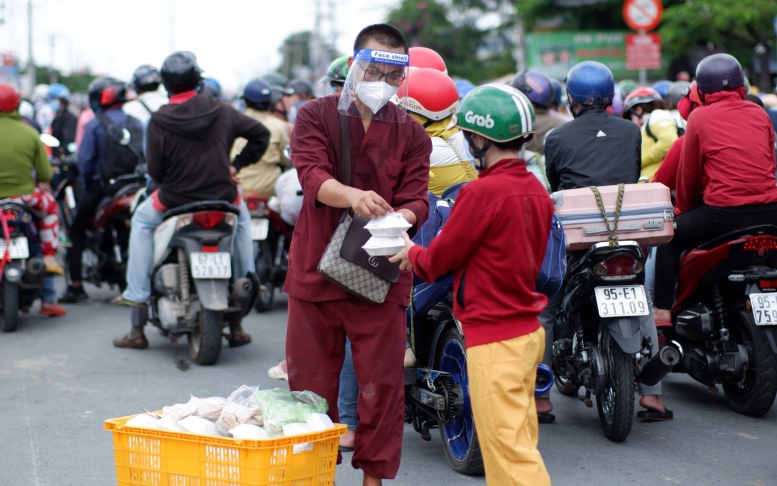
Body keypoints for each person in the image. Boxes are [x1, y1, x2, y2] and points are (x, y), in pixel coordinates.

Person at [285, 24, 431, 485]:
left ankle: (374, 479)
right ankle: (315, 475)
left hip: (381, 273)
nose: (382, 83)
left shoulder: (412, 134)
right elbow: (311, 176)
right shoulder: (315, 115)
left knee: (383, 388)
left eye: (393, 76)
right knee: (309, 390)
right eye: (373, 70)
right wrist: (353, 196)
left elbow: (418, 200)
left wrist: (402, 218)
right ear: (353, 66)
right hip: (316, 270)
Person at [390, 83, 552, 485]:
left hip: (494, 338)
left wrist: (408, 251)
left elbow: (437, 261)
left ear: (479, 138)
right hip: (527, 331)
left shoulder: (481, 194)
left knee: (509, 453)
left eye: (467, 135)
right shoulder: (537, 188)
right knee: (517, 441)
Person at [112, 51, 270, 349]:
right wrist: (234, 165)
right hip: (223, 197)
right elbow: (259, 134)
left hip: (174, 199)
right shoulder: (222, 109)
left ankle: (137, 312)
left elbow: (156, 172)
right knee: (243, 222)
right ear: (198, 79)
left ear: (167, 85)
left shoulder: (159, 119)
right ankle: (246, 290)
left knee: (141, 222)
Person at [543, 61, 670, 421]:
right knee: (642, 302)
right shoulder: (631, 131)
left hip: (580, 241)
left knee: (548, 308)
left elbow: (556, 185)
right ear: (611, 95)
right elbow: (628, 175)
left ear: (571, 97)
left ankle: (540, 397)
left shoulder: (557, 138)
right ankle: (653, 395)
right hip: (625, 235)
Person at [653, 54, 777, 326]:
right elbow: (770, 162)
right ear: (741, 86)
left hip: (723, 216)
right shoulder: (760, 113)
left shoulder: (699, 117)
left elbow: (689, 176)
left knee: (669, 235)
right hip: (770, 213)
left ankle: (662, 310)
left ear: (703, 91)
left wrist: (682, 212)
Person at [58, 78, 143, 304]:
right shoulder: (137, 122)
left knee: (76, 232)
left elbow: (86, 161)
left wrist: (87, 186)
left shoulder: (96, 124)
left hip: (104, 189)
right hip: (134, 187)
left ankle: (76, 286)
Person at [0, 82, 66, 317]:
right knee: (50, 209)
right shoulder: (30, 133)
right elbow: (46, 175)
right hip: (23, 200)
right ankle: (49, 262)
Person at [233, 79, 291, 200]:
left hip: (238, 188)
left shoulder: (234, 122)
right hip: (269, 191)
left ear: (245, 101)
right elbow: (285, 160)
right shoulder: (279, 126)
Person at [623, 87, 680, 180]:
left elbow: (669, 141)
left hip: (656, 185)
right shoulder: (653, 119)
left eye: (631, 115)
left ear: (638, 109)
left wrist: (639, 162)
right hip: (653, 185)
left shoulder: (657, 115)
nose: (631, 119)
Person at [47, 83, 77, 159]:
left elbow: (68, 141)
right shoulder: (57, 117)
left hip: (65, 160)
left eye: (53, 99)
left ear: (63, 101)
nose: (51, 102)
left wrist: (61, 155)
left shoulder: (69, 118)